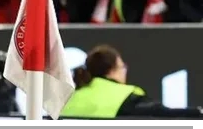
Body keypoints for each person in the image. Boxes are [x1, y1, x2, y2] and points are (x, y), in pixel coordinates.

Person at [61, 45, 202, 118]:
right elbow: (160, 112)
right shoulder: (125, 96)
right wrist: (197, 112)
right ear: (111, 70)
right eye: (122, 67)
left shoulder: (71, 97)